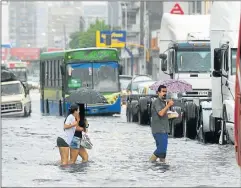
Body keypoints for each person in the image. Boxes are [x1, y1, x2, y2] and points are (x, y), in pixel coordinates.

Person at [149, 85, 174, 163]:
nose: (164, 93)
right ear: (158, 92)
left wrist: (171, 113)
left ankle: (162, 167)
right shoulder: (157, 102)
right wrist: (168, 105)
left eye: (166, 92)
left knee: (163, 153)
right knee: (161, 149)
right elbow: (161, 113)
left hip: (164, 129)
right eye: (163, 91)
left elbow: (165, 115)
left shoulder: (164, 102)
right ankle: (150, 162)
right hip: (159, 130)